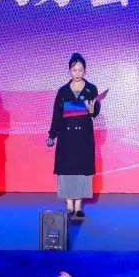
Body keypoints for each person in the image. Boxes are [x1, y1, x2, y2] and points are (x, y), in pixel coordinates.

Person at [46, 53, 101, 219]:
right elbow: (57, 114)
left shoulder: (91, 89)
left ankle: (78, 206)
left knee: (81, 170)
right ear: (69, 71)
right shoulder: (63, 91)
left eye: (80, 70)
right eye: (74, 70)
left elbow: (95, 112)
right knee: (67, 170)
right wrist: (52, 135)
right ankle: (69, 205)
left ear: (85, 70)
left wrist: (92, 109)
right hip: (66, 136)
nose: (77, 73)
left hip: (83, 136)